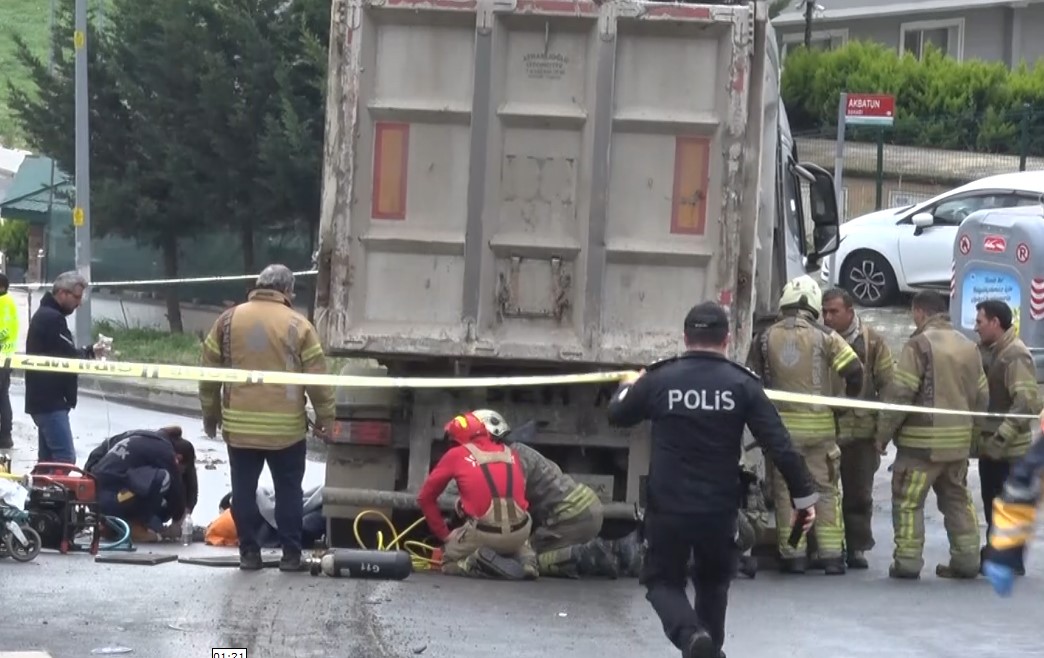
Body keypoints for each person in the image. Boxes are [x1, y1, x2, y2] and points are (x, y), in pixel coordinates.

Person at [607, 301, 818, 658]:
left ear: (685, 337)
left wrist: (629, 384)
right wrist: (804, 498)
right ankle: (707, 646)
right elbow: (779, 445)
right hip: (718, 509)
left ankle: (691, 637)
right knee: (714, 583)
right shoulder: (742, 384)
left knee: (661, 580)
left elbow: (618, 414)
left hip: (668, 507)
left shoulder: (660, 379)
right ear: (728, 339)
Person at [199, 264, 336, 572]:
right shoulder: (298, 324)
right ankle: (290, 555)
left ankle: (249, 554)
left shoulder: (228, 320)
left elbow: (207, 374)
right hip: (285, 430)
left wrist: (210, 414)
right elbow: (317, 379)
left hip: (240, 426)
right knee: (289, 492)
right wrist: (327, 417)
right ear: (287, 291)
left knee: (243, 490)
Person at [746, 275, 863, 575]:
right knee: (824, 492)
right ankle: (832, 557)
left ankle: (794, 556)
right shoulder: (826, 336)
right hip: (821, 432)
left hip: (783, 435)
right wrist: (843, 402)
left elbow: (751, 382)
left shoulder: (763, 338)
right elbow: (854, 371)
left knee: (788, 495)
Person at [875, 291, 988, 580]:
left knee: (909, 502)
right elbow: (982, 395)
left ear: (920, 312)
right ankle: (967, 561)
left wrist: (883, 435)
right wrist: (971, 435)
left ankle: (908, 563)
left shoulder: (919, 345)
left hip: (920, 447)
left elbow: (901, 394)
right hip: (958, 447)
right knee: (957, 500)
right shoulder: (968, 346)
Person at [472, 409, 605, 578]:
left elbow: (510, 511)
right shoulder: (517, 450)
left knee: (521, 561)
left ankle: (582, 555)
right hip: (585, 504)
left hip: (571, 513)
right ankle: (613, 552)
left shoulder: (509, 460)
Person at [821, 287, 895, 569]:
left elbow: (889, 387)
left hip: (861, 434)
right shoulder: (819, 339)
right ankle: (823, 548)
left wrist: (883, 433)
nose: (827, 318)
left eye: (834, 312)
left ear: (850, 312)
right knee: (823, 493)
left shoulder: (873, 342)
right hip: (825, 429)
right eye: (824, 312)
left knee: (859, 495)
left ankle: (857, 547)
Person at [416, 411, 538, 579]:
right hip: (520, 532)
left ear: (455, 439)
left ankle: (475, 561)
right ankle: (527, 561)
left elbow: (425, 498)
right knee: (517, 520)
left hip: (484, 534)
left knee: (447, 561)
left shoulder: (456, 454)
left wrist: (444, 534)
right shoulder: (510, 453)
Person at [972, 299, 1041, 575]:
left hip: (1008, 449)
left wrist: (1001, 438)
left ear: (995, 323)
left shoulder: (1015, 355)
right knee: (993, 502)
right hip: (993, 447)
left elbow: (1025, 402)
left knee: (1004, 504)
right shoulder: (990, 350)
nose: (975, 328)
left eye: (979, 322)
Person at [24, 271, 111, 464]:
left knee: (48, 461)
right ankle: (52, 492)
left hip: (43, 400)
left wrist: (89, 351)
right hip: (50, 401)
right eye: (77, 297)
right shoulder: (52, 318)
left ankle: (41, 492)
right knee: (64, 458)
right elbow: (69, 355)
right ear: (62, 293)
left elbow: (63, 351)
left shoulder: (46, 315)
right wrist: (88, 353)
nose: (79, 303)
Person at [90, 428, 193, 543]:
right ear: (178, 458)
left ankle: (111, 526)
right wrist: (178, 520)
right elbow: (176, 489)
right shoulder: (165, 450)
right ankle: (135, 526)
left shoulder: (141, 438)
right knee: (163, 478)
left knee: (148, 488)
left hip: (95, 497)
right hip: (111, 500)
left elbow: (94, 460)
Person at [0, 273, 18, 451]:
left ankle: (5, 435)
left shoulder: (4, 303)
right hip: (5, 357)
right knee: (2, 397)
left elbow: (3, 330)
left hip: (2, 357)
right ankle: (5, 435)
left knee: (2, 398)